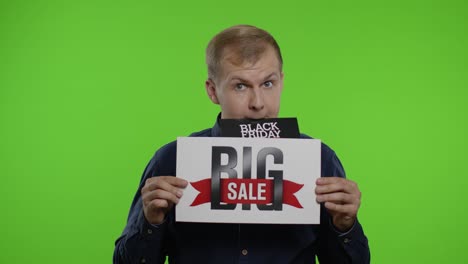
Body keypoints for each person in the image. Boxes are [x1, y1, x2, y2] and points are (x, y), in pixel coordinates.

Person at [113, 25, 370, 264]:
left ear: (282, 81)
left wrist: (344, 225)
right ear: (213, 91)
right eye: (240, 86)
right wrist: (150, 222)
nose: (258, 103)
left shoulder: (319, 159)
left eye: (268, 83)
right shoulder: (172, 160)